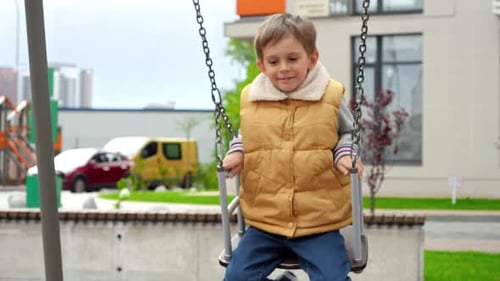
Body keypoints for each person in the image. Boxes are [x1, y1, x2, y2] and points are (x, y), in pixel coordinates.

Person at [222, 13, 364, 281]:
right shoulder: (253, 100)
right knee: (236, 278)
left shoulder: (330, 95)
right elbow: (248, 134)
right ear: (262, 65)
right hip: (266, 221)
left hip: (318, 221)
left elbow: (349, 133)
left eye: (292, 59)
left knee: (333, 278)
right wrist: (238, 151)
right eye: (274, 61)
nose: (283, 68)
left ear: (311, 58)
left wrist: (345, 154)